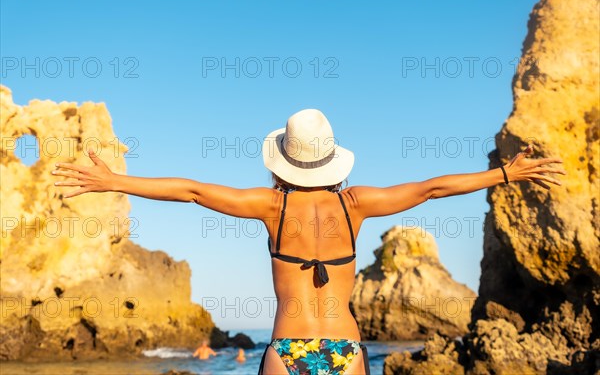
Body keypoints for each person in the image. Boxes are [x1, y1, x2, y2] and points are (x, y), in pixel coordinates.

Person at [52, 108, 566, 374]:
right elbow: (432, 188)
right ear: (331, 160)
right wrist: (505, 175)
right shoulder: (356, 203)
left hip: (286, 350)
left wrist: (116, 182)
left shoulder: (271, 205)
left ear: (285, 161)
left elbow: (190, 190)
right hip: (344, 349)